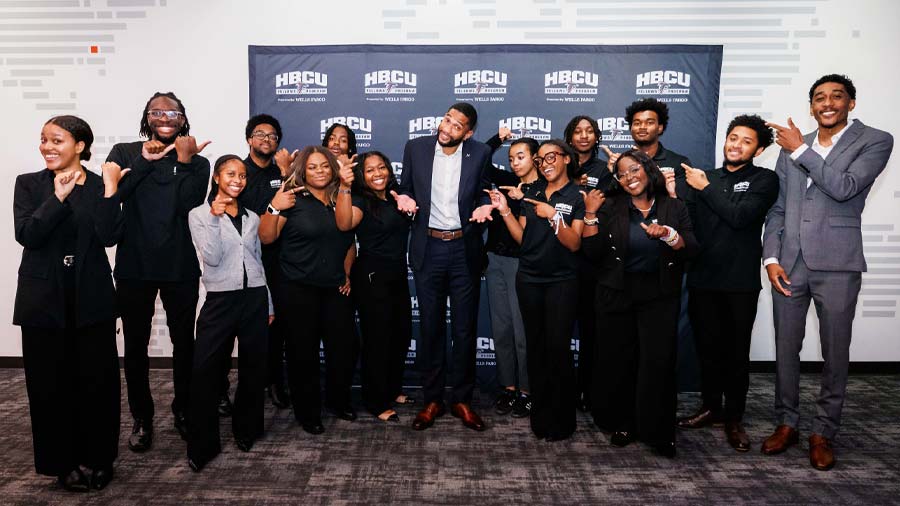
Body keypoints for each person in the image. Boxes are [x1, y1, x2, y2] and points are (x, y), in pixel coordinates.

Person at [761, 74, 893, 470]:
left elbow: (844, 186)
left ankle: (824, 431)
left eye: (837, 96)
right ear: (811, 106)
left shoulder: (875, 139)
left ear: (851, 103)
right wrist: (771, 257)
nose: (828, 103)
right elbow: (781, 207)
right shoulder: (791, 149)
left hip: (838, 262)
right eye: (819, 98)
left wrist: (801, 148)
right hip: (789, 263)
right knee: (786, 347)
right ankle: (788, 422)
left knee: (836, 352)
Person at [14, 115, 123, 491]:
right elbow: (28, 234)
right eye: (44, 139)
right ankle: (61, 463)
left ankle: (99, 458)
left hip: (91, 295)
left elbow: (110, 237)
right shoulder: (29, 184)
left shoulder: (99, 185)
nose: (47, 146)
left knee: (98, 384)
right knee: (49, 387)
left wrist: (111, 191)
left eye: (57, 140)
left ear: (80, 145)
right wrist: (57, 198)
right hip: (43, 299)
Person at [105, 92, 210, 452]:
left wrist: (182, 161)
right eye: (157, 112)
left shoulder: (198, 160)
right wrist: (148, 161)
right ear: (146, 117)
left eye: (173, 112)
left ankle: (183, 411)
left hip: (180, 264)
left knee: (185, 344)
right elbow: (116, 194)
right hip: (135, 265)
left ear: (183, 119)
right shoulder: (124, 153)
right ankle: (142, 417)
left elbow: (189, 206)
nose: (165, 117)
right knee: (135, 345)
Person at [582, 149, 699, 458]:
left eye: (634, 170)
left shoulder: (674, 207)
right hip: (616, 293)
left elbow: (692, 249)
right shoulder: (610, 207)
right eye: (621, 174)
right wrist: (591, 215)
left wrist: (669, 235)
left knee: (657, 363)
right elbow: (591, 252)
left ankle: (658, 431)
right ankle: (624, 424)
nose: (629, 177)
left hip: (659, 295)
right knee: (620, 361)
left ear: (648, 170)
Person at [677, 115, 779, 452]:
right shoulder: (708, 176)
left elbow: (739, 217)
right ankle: (710, 407)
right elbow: (688, 221)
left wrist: (704, 187)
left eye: (746, 141)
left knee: (736, 354)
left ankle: (734, 417)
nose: (736, 144)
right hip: (703, 278)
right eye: (732, 137)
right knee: (707, 350)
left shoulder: (764, 179)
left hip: (739, 283)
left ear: (759, 149)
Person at [393, 102, 495, 432]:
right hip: (429, 248)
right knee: (431, 328)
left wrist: (483, 207)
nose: (448, 127)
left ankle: (462, 399)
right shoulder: (416, 147)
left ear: (468, 133)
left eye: (457, 125)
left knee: (465, 330)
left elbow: (481, 192)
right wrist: (405, 198)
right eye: (447, 119)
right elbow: (407, 186)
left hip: (464, 248)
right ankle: (432, 399)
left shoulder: (479, 153)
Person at [487, 139, 586, 441]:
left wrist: (554, 216)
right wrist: (505, 211)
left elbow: (574, 243)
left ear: (566, 159)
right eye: (541, 160)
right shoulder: (531, 193)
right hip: (529, 278)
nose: (545, 163)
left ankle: (563, 419)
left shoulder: (576, 197)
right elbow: (521, 238)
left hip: (562, 281)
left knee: (558, 349)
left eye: (551, 157)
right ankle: (540, 418)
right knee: (536, 349)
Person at [259, 146, 357, 435]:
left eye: (325, 166)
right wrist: (274, 205)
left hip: (334, 287)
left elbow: (349, 241)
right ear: (303, 170)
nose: (320, 171)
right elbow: (266, 237)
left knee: (344, 349)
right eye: (313, 167)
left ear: (334, 169)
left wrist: (347, 273)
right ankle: (308, 411)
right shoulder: (291, 199)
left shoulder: (342, 197)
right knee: (304, 354)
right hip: (297, 288)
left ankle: (338, 401)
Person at [186, 155, 272, 471]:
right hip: (220, 301)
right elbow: (211, 257)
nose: (237, 179)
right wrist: (213, 216)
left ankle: (246, 430)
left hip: (255, 299)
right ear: (217, 178)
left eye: (243, 175)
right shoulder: (198, 215)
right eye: (230, 173)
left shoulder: (251, 217)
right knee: (205, 371)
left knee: (253, 370)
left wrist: (270, 303)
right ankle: (202, 444)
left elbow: (257, 260)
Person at [334, 151, 412, 422]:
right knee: (378, 340)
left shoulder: (393, 196)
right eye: (370, 170)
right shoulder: (359, 199)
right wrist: (344, 185)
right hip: (371, 276)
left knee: (400, 335)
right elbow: (344, 224)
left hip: (398, 275)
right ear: (361, 176)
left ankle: (391, 388)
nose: (378, 173)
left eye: (382, 167)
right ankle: (376, 401)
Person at [483, 131, 540, 417]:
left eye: (521, 156)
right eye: (511, 158)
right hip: (495, 260)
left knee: (522, 333)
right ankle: (507, 387)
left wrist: (525, 196)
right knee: (501, 329)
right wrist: (496, 139)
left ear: (535, 158)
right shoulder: (505, 182)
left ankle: (528, 391)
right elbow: (481, 162)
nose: (515, 163)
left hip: (524, 265)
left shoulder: (543, 189)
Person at [238, 114, 292, 411]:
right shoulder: (237, 171)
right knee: (245, 324)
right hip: (243, 260)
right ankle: (240, 385)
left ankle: (274, 381)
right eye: (260, 134)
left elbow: (289, 207)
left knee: (277, 325)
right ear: (249, 139)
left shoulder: (281, 172)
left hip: (276, 259)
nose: (267, 140)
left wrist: (285, 173)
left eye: (273, 136)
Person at [564, 115, 611, 413]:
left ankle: (591, 391)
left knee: (593, 331)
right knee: (558, 330)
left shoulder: (605, 170)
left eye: (589, 131)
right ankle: (563, 389)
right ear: (569, 137)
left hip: (592, 261)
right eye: (578, 131)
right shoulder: (557, 164)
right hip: (561, 259)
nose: (584, 136)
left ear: (596, 137)